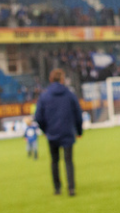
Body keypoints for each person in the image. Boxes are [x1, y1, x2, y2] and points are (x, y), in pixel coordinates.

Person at [34, 68, 83, 196]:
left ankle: (57, 188)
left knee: (54, 161)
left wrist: (45, 130)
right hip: (67, 131)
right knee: (68, 160)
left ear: (50, 79)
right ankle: (71, 188)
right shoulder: (70, 94)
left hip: (52, 133)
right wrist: (79, 131)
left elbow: (38, 117)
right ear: (62, 79)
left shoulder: (44, 96)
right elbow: (78, 114)